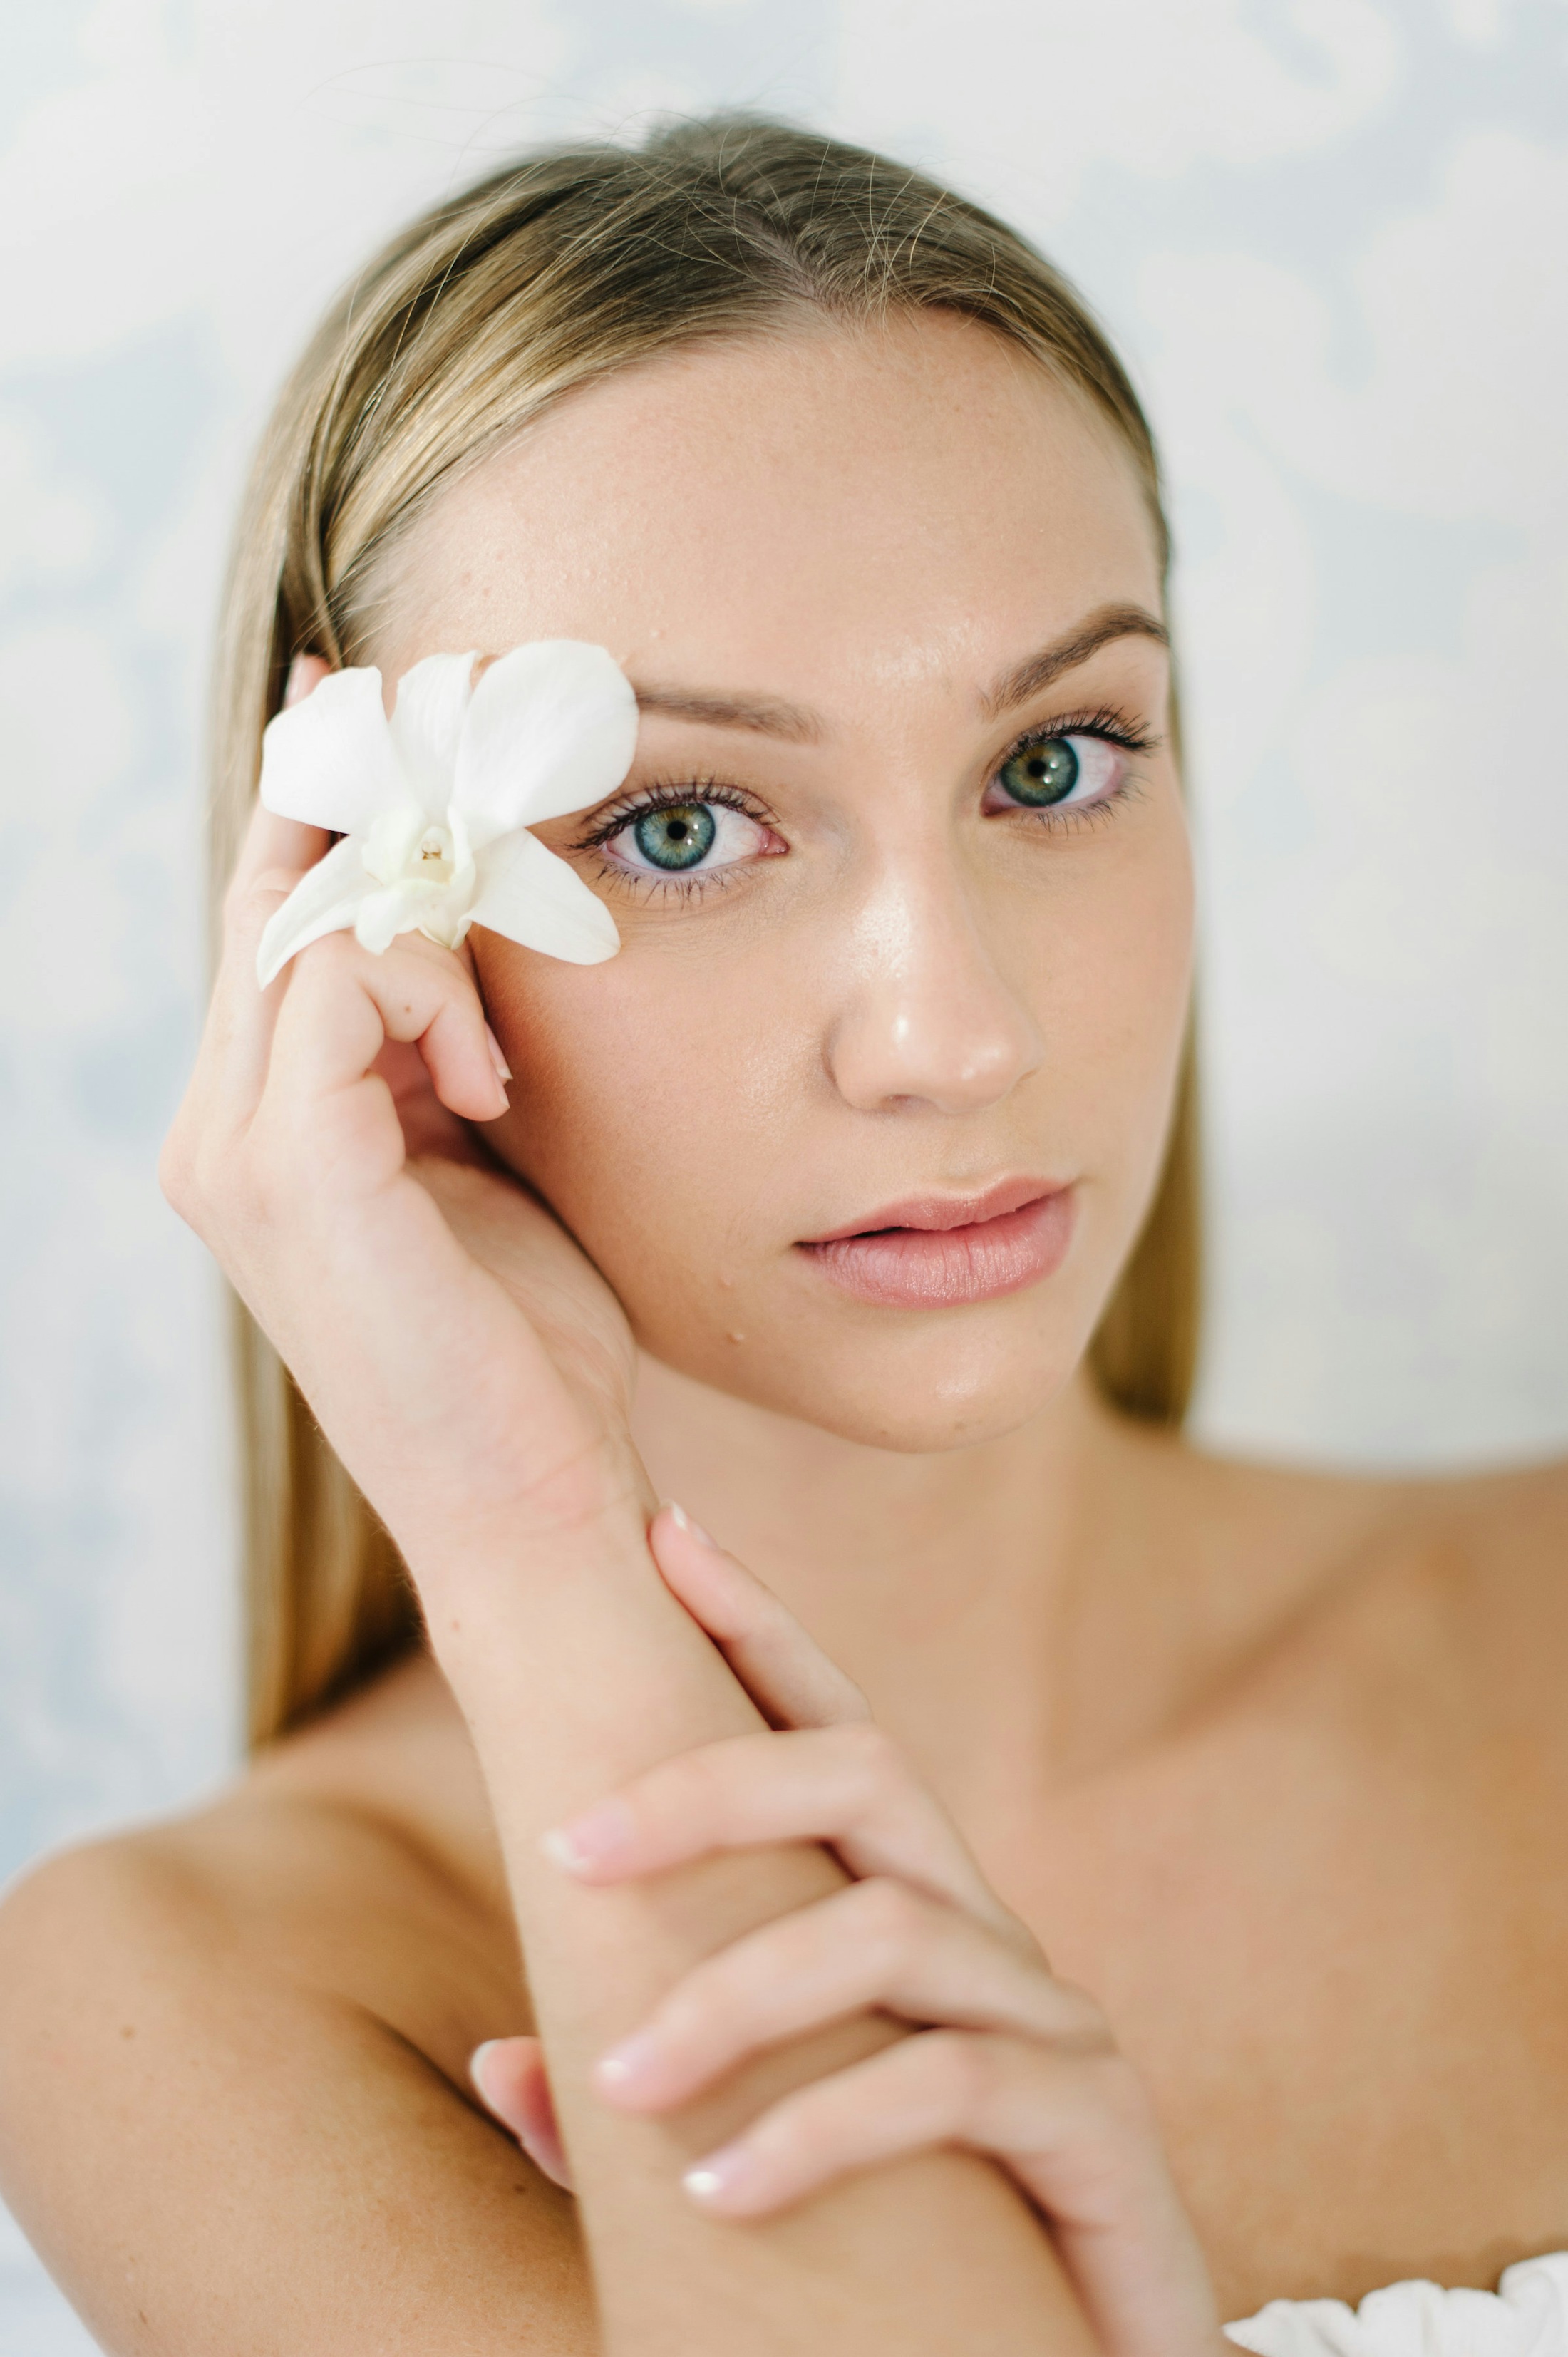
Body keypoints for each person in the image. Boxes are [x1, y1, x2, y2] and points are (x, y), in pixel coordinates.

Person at [1, 113, 1565, 2357]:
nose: (954, 1034)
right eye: (681, 820)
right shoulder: (198, 1998)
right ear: (361, 897)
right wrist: (535, 1533)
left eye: (1053, 764)